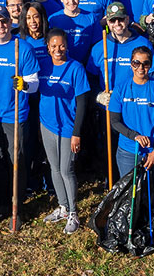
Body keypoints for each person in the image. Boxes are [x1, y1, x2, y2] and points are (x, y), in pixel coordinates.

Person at [0, 6, 40, 226]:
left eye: (4, 21)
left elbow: (35, 84)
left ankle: (17, 207)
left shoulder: (23, 48)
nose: (1, 26)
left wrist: (24, 85)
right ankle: (2, 204)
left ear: (11, 23)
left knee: (17, 163)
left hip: (15, 116)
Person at [37, 28, 90, 234]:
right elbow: (33, 87)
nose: (58, 49)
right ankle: (63, 207)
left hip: (67, 127)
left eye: (61, 45)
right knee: (54, 168)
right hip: (47, 124)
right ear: (48, 48)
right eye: (53, 46)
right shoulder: (43, 66)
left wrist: (76, 133)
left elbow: (82, 101)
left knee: (67, 170)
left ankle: (74, 212)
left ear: (66, 46)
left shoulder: (75, 68)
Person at [108, 46, 154, 215]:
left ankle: (152, 226)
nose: (141, 68)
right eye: (136, 63)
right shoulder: (121, 88)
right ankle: (131, 227)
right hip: (128, 150)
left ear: (151, 65)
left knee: (153, 191)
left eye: (145, 63)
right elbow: (114, 121)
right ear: (130, 64)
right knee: (130, 193)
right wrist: (134, 136)